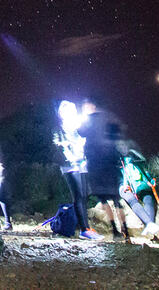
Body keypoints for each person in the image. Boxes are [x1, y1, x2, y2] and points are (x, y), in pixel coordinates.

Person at [79, 97, 131, 242]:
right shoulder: (110, 117)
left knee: (104, 199)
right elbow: (119, 133)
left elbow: (80, 132)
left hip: (96, 163)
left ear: (91, 106)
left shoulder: (89, 119)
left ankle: (115, 231)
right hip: (110, 161)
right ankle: (125, 231)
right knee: (116, 199)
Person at [53, 100, 101, 240]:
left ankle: (85, 226)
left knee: (84, 195)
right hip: (69, 165)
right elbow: (56, 144)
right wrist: (68, 152)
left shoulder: (77, 124)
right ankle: (84, 229)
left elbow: (86, 135)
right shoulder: (58, 128)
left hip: (82, 162)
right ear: (62, 113)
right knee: (79, 196)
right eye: (67, 110)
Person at [120, 149, 159, 237]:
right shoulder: (137, 164)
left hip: (139, 186)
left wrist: (125, 185)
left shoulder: (127, 165)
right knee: (148, 200)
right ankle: (151, 225)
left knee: (142, 201)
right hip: (143, 186)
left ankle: (149, 224)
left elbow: (126, 176)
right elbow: (146, 174)